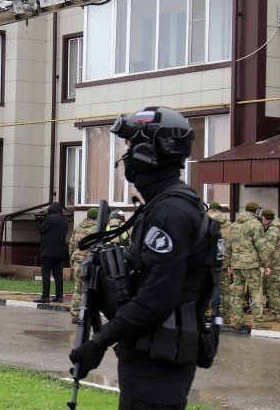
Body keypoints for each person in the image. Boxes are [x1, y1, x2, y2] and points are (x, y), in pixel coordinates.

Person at [69, 107, 213, 409]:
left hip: (159, 360)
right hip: (150, 354)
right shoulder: (164, 206)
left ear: (150, 152)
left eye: (132, 145)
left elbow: (157, 298)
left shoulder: (170, 213)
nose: (126, 154)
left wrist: (99, 342)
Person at [224, 202, 271, 329]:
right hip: (251, 264)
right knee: (256, 293)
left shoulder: (234, 224)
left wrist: (228, 265)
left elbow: (228, 246)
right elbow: (261, 246)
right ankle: (259, 322)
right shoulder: (255, 224)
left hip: (236, 264)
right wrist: (266, 265)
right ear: (255, 211)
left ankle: (238, 322)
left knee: (238, 294)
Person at [35, 201, 68, 304]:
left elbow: (41, 230)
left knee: (46, 274)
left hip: (48, 252)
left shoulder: (50, 218)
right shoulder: (64, 220)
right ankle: (59, 297)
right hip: (60, 252)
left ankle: (45, 297)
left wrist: (42, 221)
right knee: (58, 275)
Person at [69, 207, 98, 323]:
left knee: (78, 289)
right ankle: (90, 316)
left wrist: (72, 258)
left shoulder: (78, 226)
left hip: (77, 260)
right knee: (91, 288)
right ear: (96, 217)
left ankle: (75, 315)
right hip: (89, 261)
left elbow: (71, 244)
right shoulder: (97, 228)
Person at [207, 201, 233, 318]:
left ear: (211, 210)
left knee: (208, 287)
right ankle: (227, 317)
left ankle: (209, 313)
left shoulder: (206, 221)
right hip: (224, 262)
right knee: (226, 290)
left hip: (209, 261)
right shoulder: (229, 224)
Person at [260, 208, 280, 321]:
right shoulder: (273, 228)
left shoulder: (273, 230)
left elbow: (268, 250)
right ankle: (277, 308)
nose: (261, 220)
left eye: (262, 218)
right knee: (267, 286)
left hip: (274, 265)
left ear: (265, 218)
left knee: (272, 288)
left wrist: (265, 265)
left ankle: (275, 313)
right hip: (275, 263)